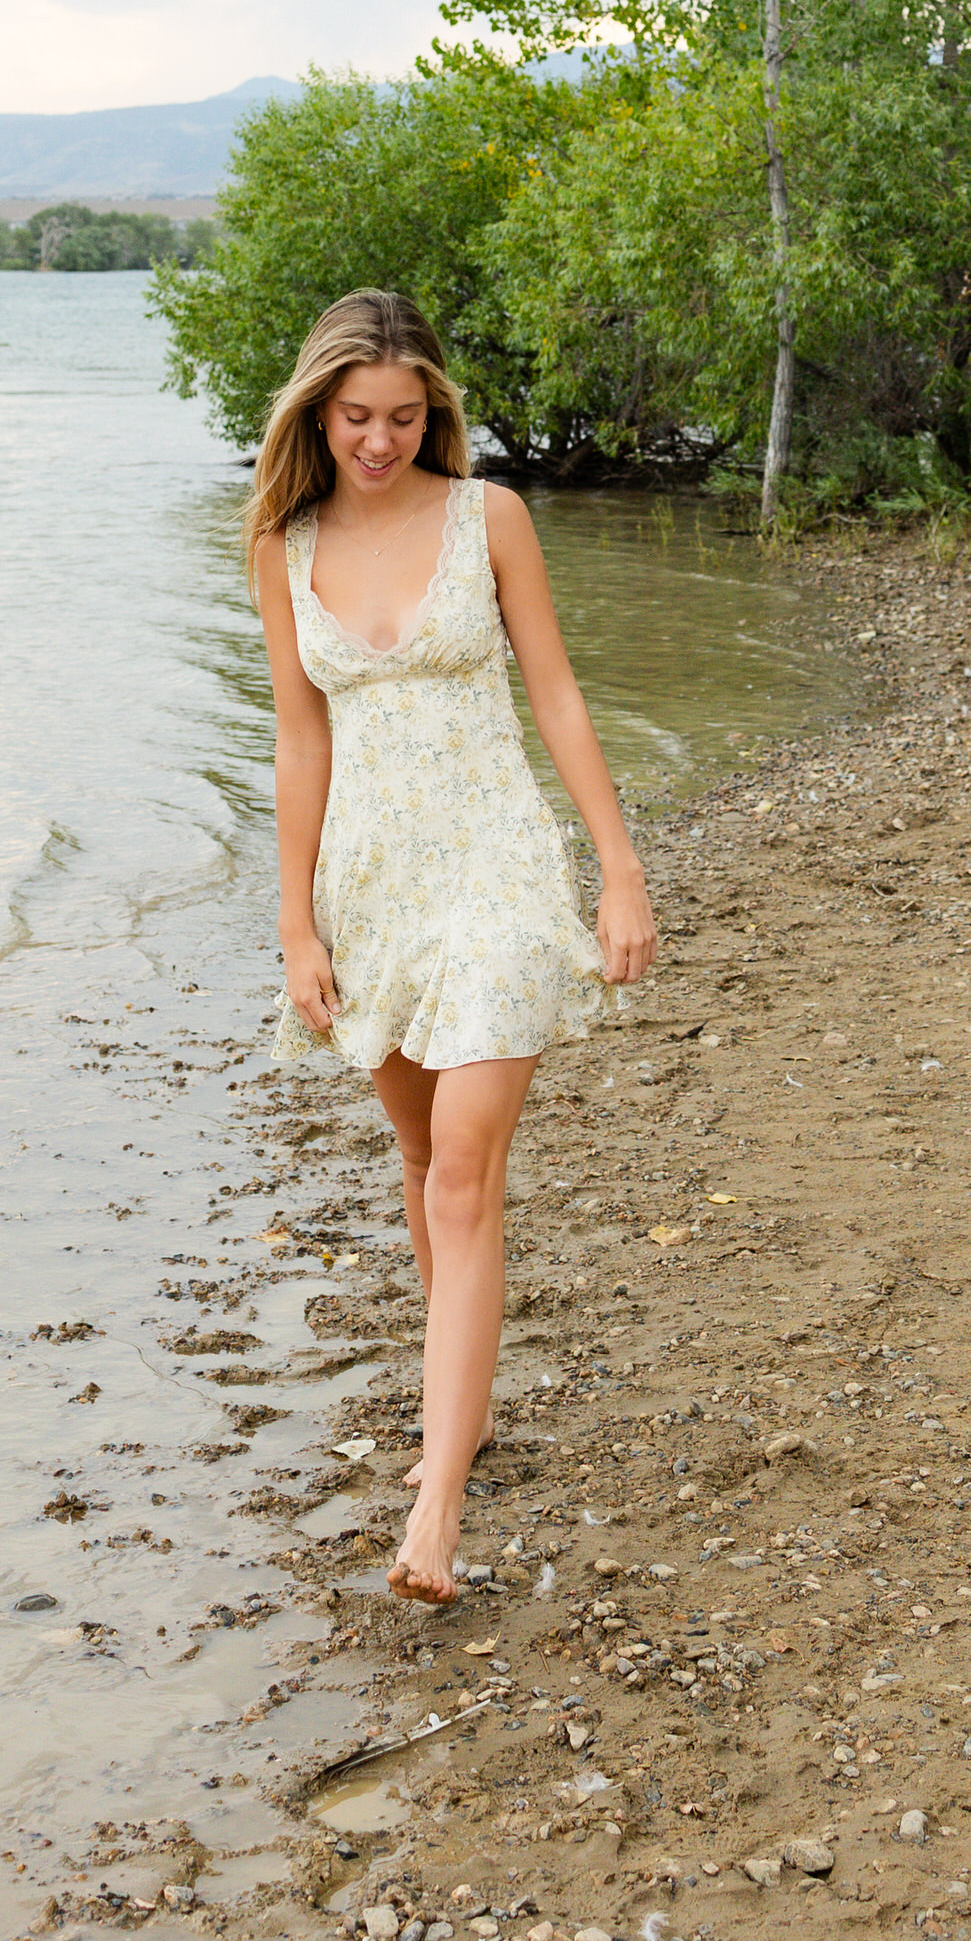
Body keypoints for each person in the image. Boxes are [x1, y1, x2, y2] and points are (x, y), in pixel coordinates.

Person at [250, 289, 657, 1605]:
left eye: (405, 417)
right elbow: (300, 741)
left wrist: (619, 870)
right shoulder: (283, 540)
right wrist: (296, 919)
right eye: (358, 417)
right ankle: (461, 1405)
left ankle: (437, 1504)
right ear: (320, 411)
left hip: (492, 873)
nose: (380, 440)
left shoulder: (490, 519)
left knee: (466, 1178)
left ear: (437, 413)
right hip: (370, 890)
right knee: (424, 1162)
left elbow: (556, 691)